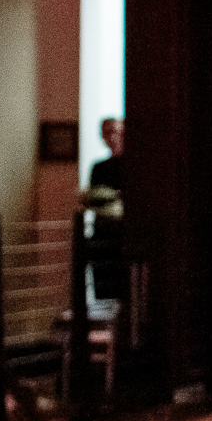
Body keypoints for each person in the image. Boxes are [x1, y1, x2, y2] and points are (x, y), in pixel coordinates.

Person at [82, 116, 126, 304]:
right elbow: (92, 199)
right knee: (105, 291)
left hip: (122, 235)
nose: (111, 136)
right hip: (103, 234)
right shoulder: (99, 167)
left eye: (114, 131)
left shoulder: (132, 166)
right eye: (106, 132)